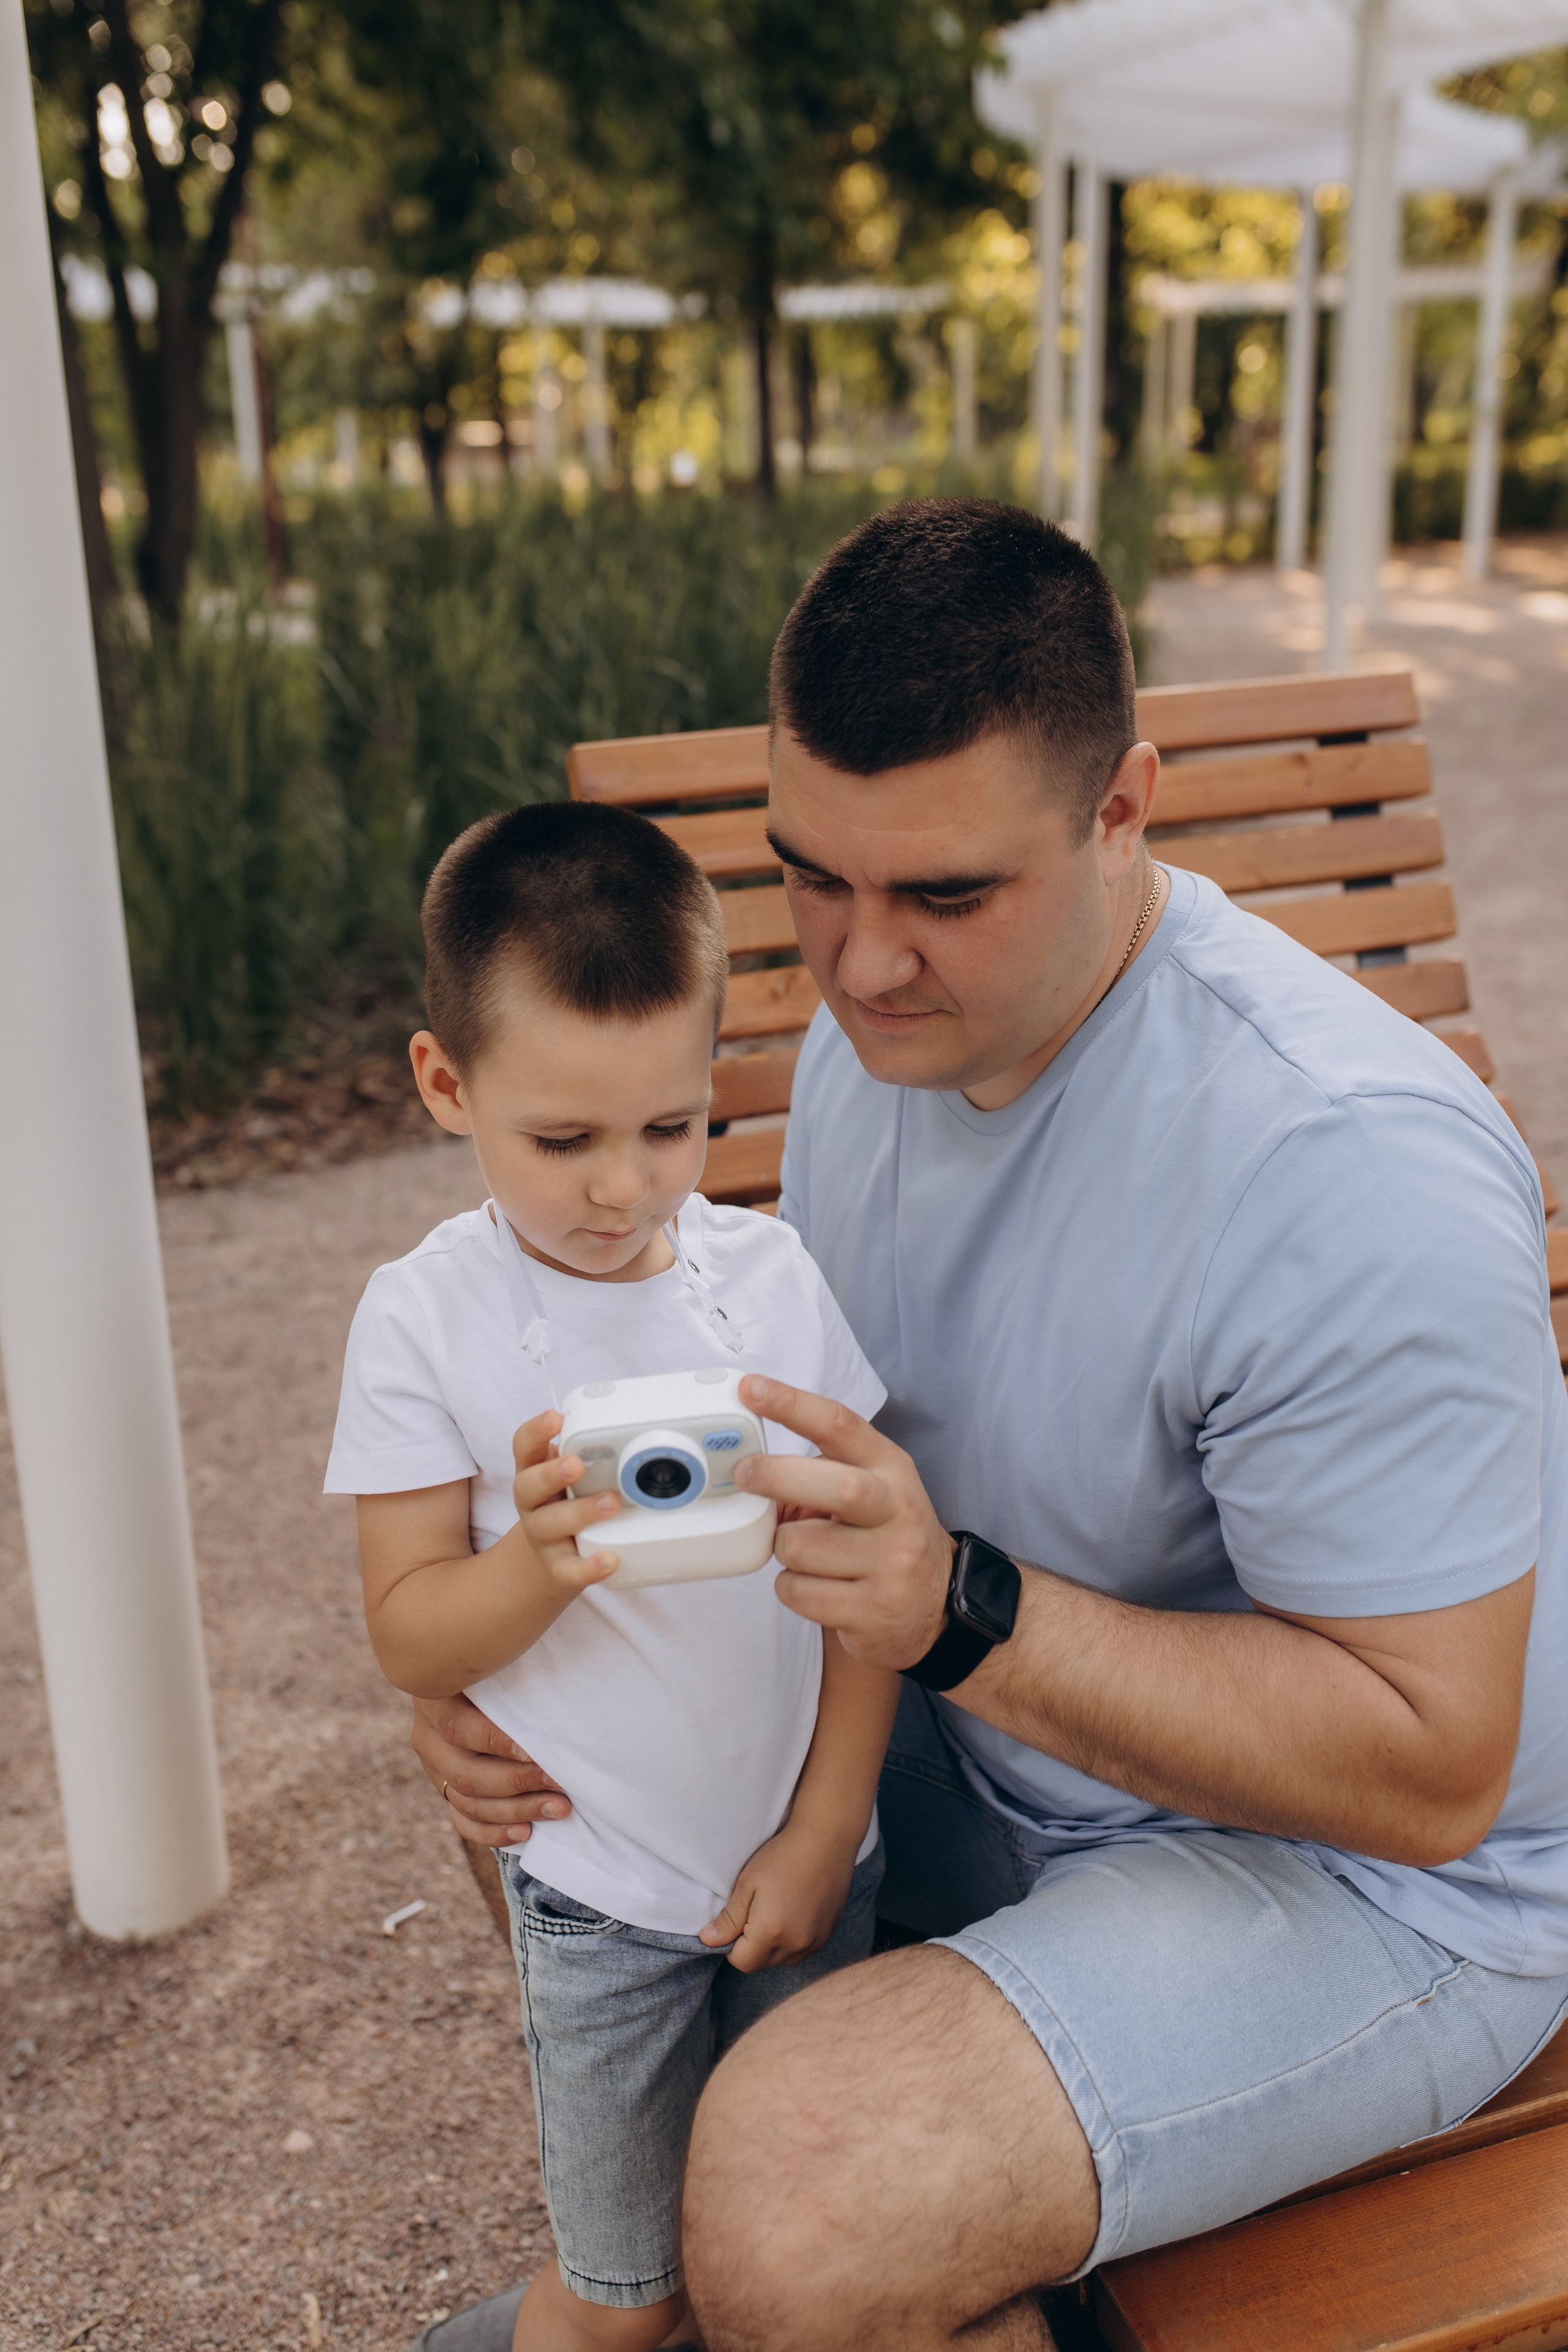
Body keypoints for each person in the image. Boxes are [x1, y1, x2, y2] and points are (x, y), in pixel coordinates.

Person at [407, 501, 1568, 2352]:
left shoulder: (1347, 1178)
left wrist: (958, 1611)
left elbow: (1434, 1771)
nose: (861, 966)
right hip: (998, 1735)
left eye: (947, 894)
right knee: (561, 1797)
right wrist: (513, 1647)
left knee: (795, 2196)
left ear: (1126, 813)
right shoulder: (898, 1045)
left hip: (1384, 1882)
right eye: (815, 878)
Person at [326, 802, 896, 2352]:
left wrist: (832, 1823)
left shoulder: (766, 1281)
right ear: (448, 1086)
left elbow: (862, 1583)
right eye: (560, 1139)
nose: (619, 1190)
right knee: (626, 2299)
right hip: (599, 1897)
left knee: (787, 2253)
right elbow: (406, 1629)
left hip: (803, 1862)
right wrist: (539, 1561)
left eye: (668, 1128)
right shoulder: (423, 1320)